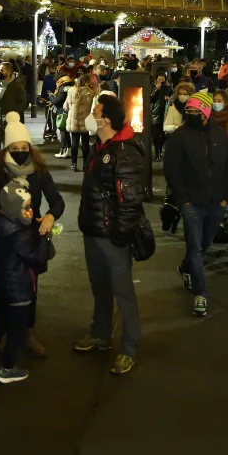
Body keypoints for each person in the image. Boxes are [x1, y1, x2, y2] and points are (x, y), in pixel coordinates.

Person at [0, 114, 65, 382]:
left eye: (23, 148)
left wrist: (49, 216)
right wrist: (10, 227)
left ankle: (27, 334)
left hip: (30, 238)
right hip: (6, 240)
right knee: (3, 291)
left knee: (29, 291)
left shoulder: (39, 171)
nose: (19, 152)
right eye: (13, 148)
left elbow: (57, 201)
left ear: (31, 147)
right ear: (5, 148)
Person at [74, 94, 147, 375]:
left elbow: (129, 201)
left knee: (122, 291)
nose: (91, 114)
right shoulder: (101, 145)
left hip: (111, 235)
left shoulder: (124, 151)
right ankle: (100, 333)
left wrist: (119, 235)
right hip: (94, 230)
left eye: (96, 110)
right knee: (100, 287)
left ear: (107, 119)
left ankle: (130, 346)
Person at [164, 91, 228, 317]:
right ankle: (200, 293)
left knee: (205, 243)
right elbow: (172, 170)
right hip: (192, 203)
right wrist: (183, 199)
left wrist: (226, 196)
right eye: (189, 111)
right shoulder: (180, 137)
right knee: (195, 247)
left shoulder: (222, 136)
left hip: (217, 202)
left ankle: (185, 267)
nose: (192, 114)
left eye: (196, 110)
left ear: (205, 112)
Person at [0, 61, 28, 167]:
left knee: (9, 144)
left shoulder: (17, 85)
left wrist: (13, 113)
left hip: (9, 121)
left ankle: (10, 165)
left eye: (2, 70)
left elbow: (23, 102)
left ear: (9, 72)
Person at [64, 70, 97, 172]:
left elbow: (66, 107)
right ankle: (85, 165)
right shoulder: (89, 93)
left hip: (73, 120)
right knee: (85, 144)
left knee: (74, 142)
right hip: (85, 121)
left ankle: (74, 164)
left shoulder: (71, 91)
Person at [150, 71, 173, 161]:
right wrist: (156, 89)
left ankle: (160, 150)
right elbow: (149, 99)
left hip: (166, 114)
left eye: (162, 80)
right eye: (159, 80)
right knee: (155, 136)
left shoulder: (168, 88)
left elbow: (173, 97)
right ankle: (157, 153)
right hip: (155, 115)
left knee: (164, 135)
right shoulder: (153, 88)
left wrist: (169, 99)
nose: (160, 82)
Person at [53, 75, 74, 159]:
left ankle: (63, 150)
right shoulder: (72, 88)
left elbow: (57, 102)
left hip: (63, 112)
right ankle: (68, 151)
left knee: (63, 131)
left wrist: (51, 97)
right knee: (67, 132)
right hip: (71, 112)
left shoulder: (63, 89)